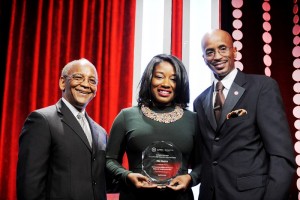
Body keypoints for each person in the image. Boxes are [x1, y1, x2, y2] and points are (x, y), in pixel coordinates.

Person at [193, 29, 296, 200]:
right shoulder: (199, 101)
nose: (217, 56)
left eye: (223, 48)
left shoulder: (262, 87)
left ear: (234, 51)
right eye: (209, 52)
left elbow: (281, 157)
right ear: (204, 58)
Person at [106, 54, 201, 200]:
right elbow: (109, 160)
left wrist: (190, 178)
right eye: (159, 76)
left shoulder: (193, 119)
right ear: (149, 79)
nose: (166, 83)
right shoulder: (126, 116)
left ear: (180, 83)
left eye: (173, 79)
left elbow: (204, 164)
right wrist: (127, 175)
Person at [17, 58, 107, 200]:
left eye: (92, 81)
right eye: (78, 77)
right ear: (62, 82)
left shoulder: (101, 132)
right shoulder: (42, 120)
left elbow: (100, 180)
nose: (85, 84)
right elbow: (30, 184)